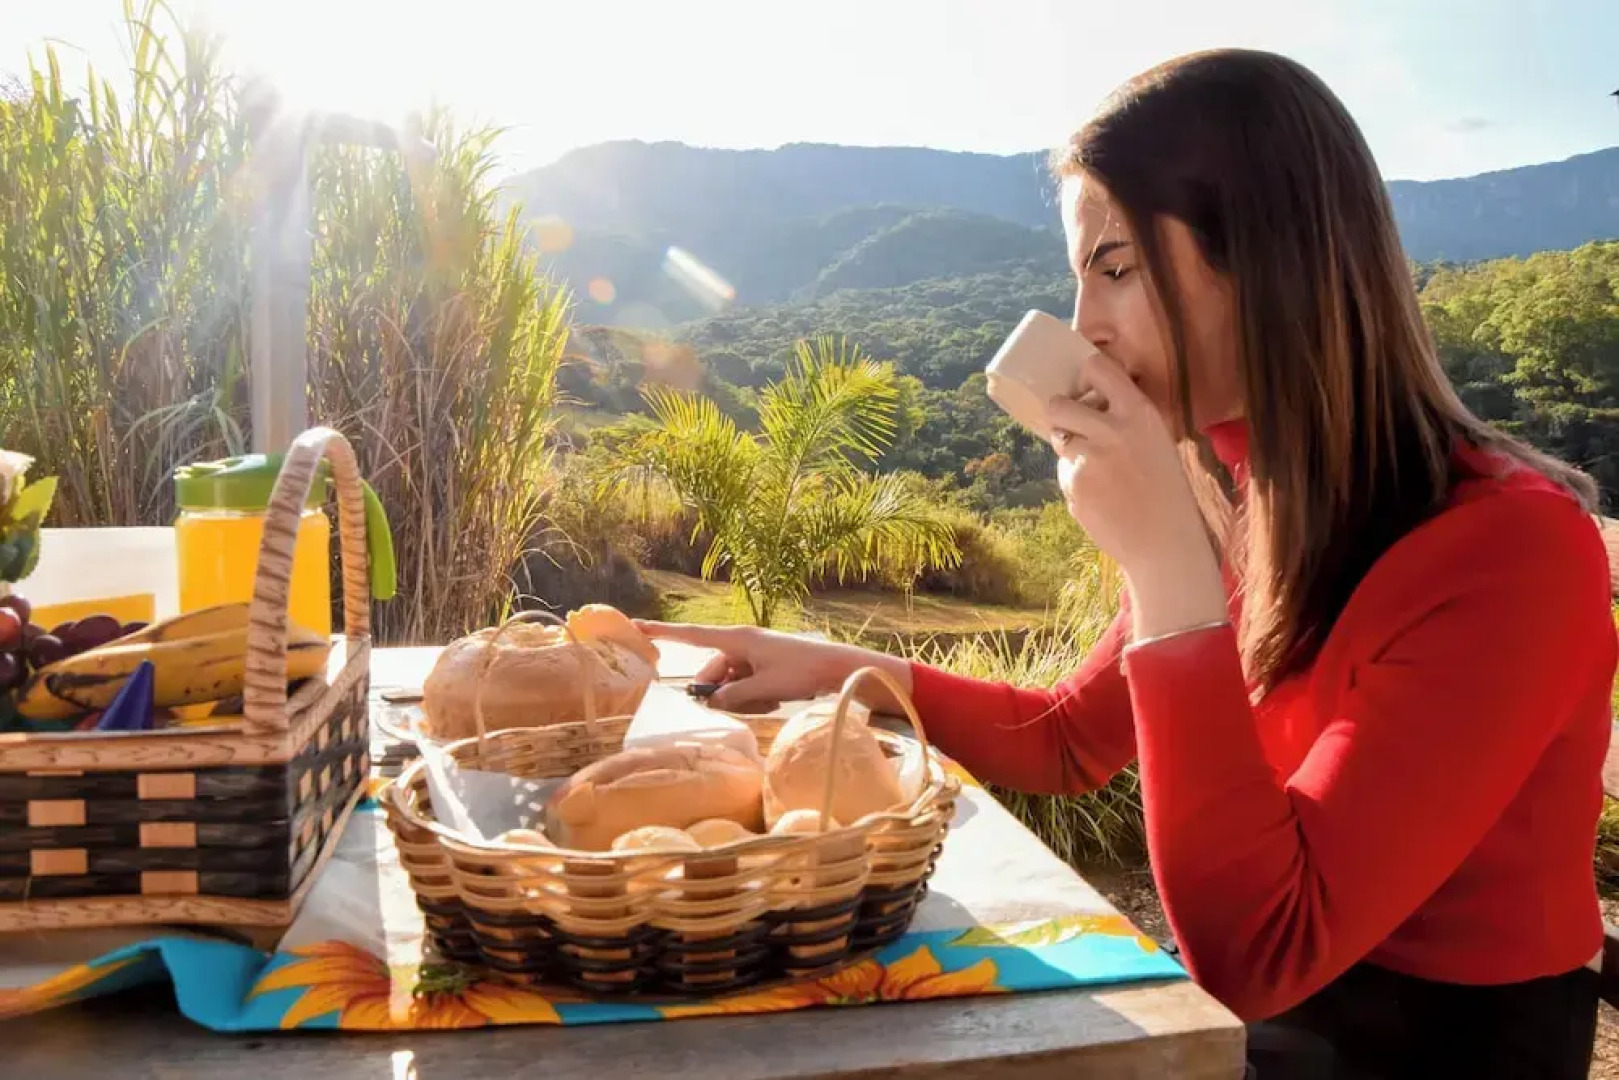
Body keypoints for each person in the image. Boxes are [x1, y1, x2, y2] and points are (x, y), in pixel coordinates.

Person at [636, 47, 1617, 1080]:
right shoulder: (1240, 488)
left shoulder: (1503, 549)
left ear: (1265, 258)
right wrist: (836, 669)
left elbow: (1259, 951)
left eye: (1114, 270)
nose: (1084, 329)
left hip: (1438, 1041)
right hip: (1275, 1005)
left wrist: (1161, 566)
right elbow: (1068, 740)